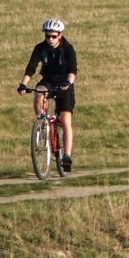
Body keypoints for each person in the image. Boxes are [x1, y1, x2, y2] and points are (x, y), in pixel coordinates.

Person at [19, 17, 78, 173]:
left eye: (53, 36)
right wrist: (23, 84)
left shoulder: (68, 49)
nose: (50, 39)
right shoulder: (40, 48)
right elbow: (31, 67)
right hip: (48, 81)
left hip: (64, 83)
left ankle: (66, 155)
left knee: (65, 120)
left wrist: (68, 83)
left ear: (60, 35)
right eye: (47, 36)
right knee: (39, 91)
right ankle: (42, 122)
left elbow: (73, 70)